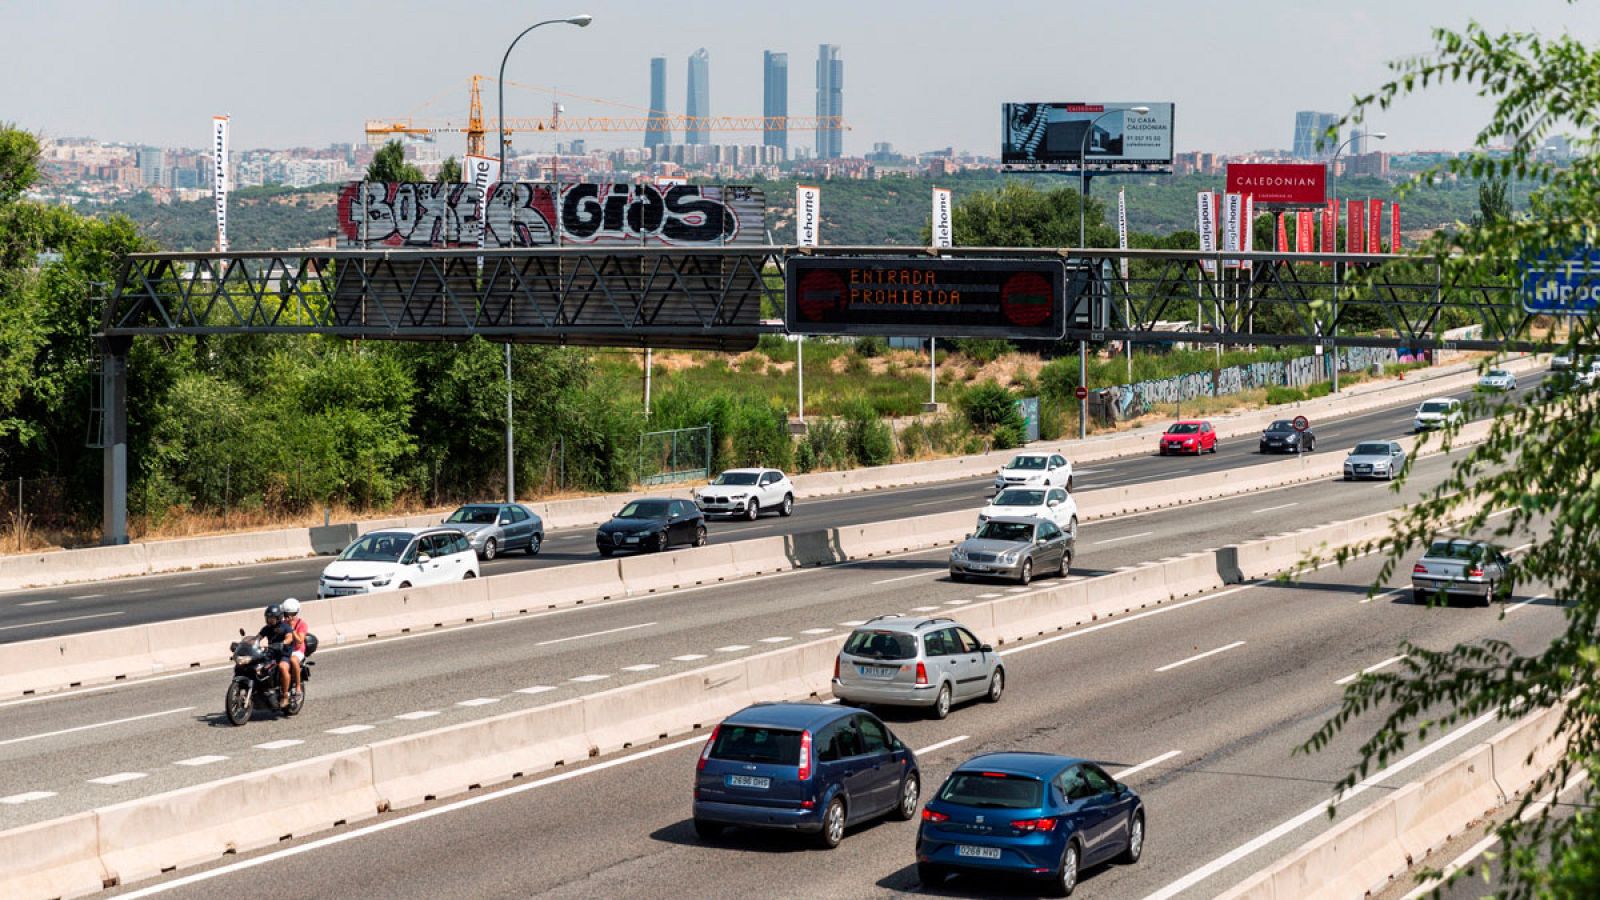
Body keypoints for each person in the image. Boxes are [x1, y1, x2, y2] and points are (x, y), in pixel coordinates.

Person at [276, 597, 309, 708]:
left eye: (292, 614)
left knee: (293, 660)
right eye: (286, 614)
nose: (289, 617)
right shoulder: (281, 623)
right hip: (285, 650)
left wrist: (291, 629)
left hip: (297, 650)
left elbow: (300, 640)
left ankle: (298, 687)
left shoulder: (302, 624)